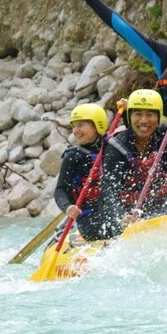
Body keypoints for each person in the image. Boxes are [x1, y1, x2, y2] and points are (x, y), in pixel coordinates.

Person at [99, 89, 167, 237]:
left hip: (161, 209)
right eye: (138, 114)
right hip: (127, 212)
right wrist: (121, 216)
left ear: (159, 117)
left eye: (150, 114)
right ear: (130, 116)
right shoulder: (116, 147)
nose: (144, 120)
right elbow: (109, 189)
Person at [53, 103, 112, 241]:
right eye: (74, 125)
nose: (75, 131)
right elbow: (60, 190)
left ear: (97, 125)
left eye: (81, 125)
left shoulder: (112, 147)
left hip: (115, 211)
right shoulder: (74, 156)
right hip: (89, 218)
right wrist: (68, 208)